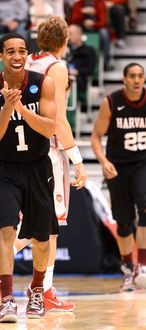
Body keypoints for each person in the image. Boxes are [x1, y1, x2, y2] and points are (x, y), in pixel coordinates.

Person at [0, 16, 87, 313]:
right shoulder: (57, 68)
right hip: (46, 151)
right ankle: (41, 287)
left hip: (21, 147)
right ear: (64, 42)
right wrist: (77, 159)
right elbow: (59, 121)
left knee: (42, 224)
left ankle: (33, 281)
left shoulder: (28, 65)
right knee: (50, 226)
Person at [0, 32, 58, 322]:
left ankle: (36, 290)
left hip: (37, 167)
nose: (17, 56)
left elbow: (49, 128)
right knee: (6, 231)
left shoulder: (43, 84)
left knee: (42, 237)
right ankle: (7, 298)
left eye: (22, 51)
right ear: (0, 56)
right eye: (10, 51)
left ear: (27, 54)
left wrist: (21, 108)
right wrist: (8, 107)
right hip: (3, 168)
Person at [91, 62, 146, 292]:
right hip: (117, 167)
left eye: (140, 76)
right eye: (132, 76)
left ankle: (142, 265)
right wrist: (104, 162)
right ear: (124, 79)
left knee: (145, 207)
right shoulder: (112, 101)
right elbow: (95, 137)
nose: (136, 80)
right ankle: (128, 269)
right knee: (123, 222)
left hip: (143, 163)